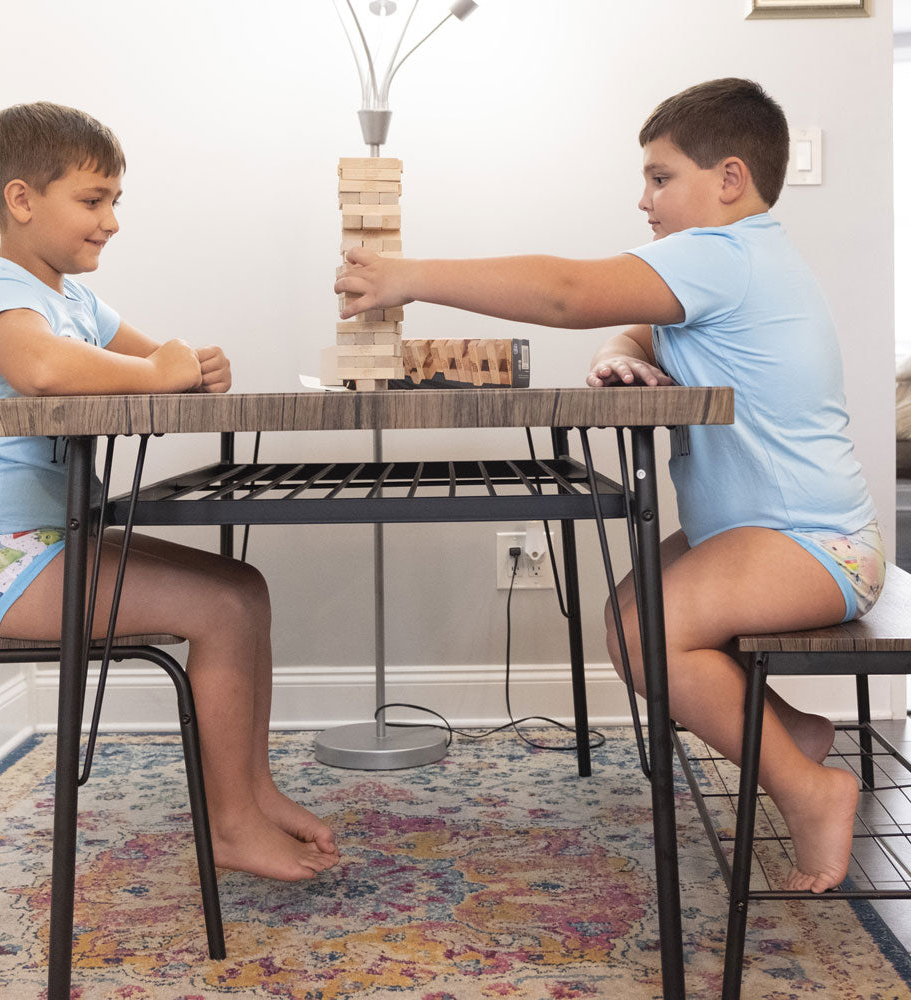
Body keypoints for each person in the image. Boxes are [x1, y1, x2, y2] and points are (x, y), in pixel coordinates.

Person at [334, 78, 884, 894]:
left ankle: (812, 792)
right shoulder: (735, 262)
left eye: (661, 178)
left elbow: (570, 293)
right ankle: (791, 733)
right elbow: (633, 319)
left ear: (729, 180)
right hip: (778, 537)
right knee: (627, 615)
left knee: (645, 636)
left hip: (813, 546)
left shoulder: (725, 254)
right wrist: (617, 352)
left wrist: (410, 276)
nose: (644, 198)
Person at [0, 101, 340, 881]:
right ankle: (229, 828)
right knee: (218, 610)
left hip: (49, 546)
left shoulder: (74, 301)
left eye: (116, 200)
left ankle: (253, 793)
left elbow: (158, 358)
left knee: (243, 587)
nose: (112, 219)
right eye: (93, 199)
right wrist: (161, 370)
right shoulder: (0, 296)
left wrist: (194, 364)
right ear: (22, 201)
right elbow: (43, 370)